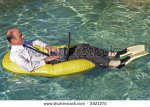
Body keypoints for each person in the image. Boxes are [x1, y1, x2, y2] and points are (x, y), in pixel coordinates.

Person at [6, 28, 131, 72]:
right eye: (20, 36)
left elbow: (35, 41)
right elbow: (28, 67)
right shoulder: (16, 55)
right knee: (84, 52)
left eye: (22, 34)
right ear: (13, 40)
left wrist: (46, 46)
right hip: (52, 61)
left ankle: (112, 54)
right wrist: (46, 59)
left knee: (82, 46)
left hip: (53, 54)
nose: (24, 36)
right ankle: (113, 64)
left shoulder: (24, 44)